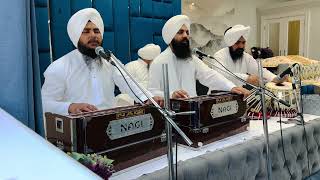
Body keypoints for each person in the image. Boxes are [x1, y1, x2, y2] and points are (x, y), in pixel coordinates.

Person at [41, 8, 162, 115]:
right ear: (76, 36)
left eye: (96, 31)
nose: (93, 35)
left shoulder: (109, 60)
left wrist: (147, 98)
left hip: (108, 125)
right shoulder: (59, 67)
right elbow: (44, 103)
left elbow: (128, 82)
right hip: (76, 129)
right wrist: (70, 107)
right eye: (86, 31)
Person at [148, 15, 250, 99]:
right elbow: (152, 92)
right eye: (180, 32)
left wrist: (231, 87)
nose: (185, 35)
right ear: (170, 37)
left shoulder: (191, 59)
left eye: (187, 32)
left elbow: (209, 75)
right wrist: (171, 95)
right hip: (170, 115)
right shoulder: (158, 62)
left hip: (193, 112)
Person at [212, 24, 286, 87]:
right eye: (237, 43)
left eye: (243, 43)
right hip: (218, 94)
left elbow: (259, 70)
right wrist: (246, 78)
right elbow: (221, 74)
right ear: (230, 43)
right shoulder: (219, 55)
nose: (241, 46)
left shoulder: (245, 57)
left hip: (239, 94)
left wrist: (274, 78)